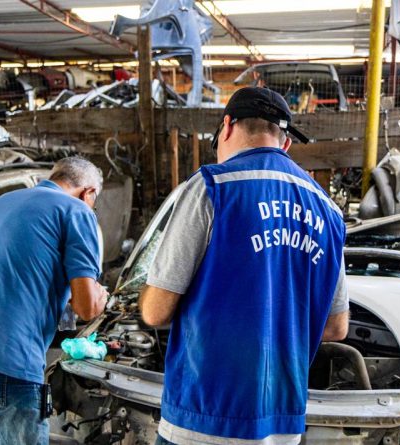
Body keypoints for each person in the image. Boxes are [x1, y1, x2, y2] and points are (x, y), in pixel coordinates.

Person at [140, 87, 349, 445]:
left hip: (202, 419)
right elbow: (336, 327)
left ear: (226, 128)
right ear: (284, 143)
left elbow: (157, 311)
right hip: (280, 424)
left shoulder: (211, 187)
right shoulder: (328, 211)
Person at [0, 156, 109, 445]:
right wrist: (101, 296)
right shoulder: (77, 211)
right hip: (6, 364)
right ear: (88, 193)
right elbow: (87, 307)